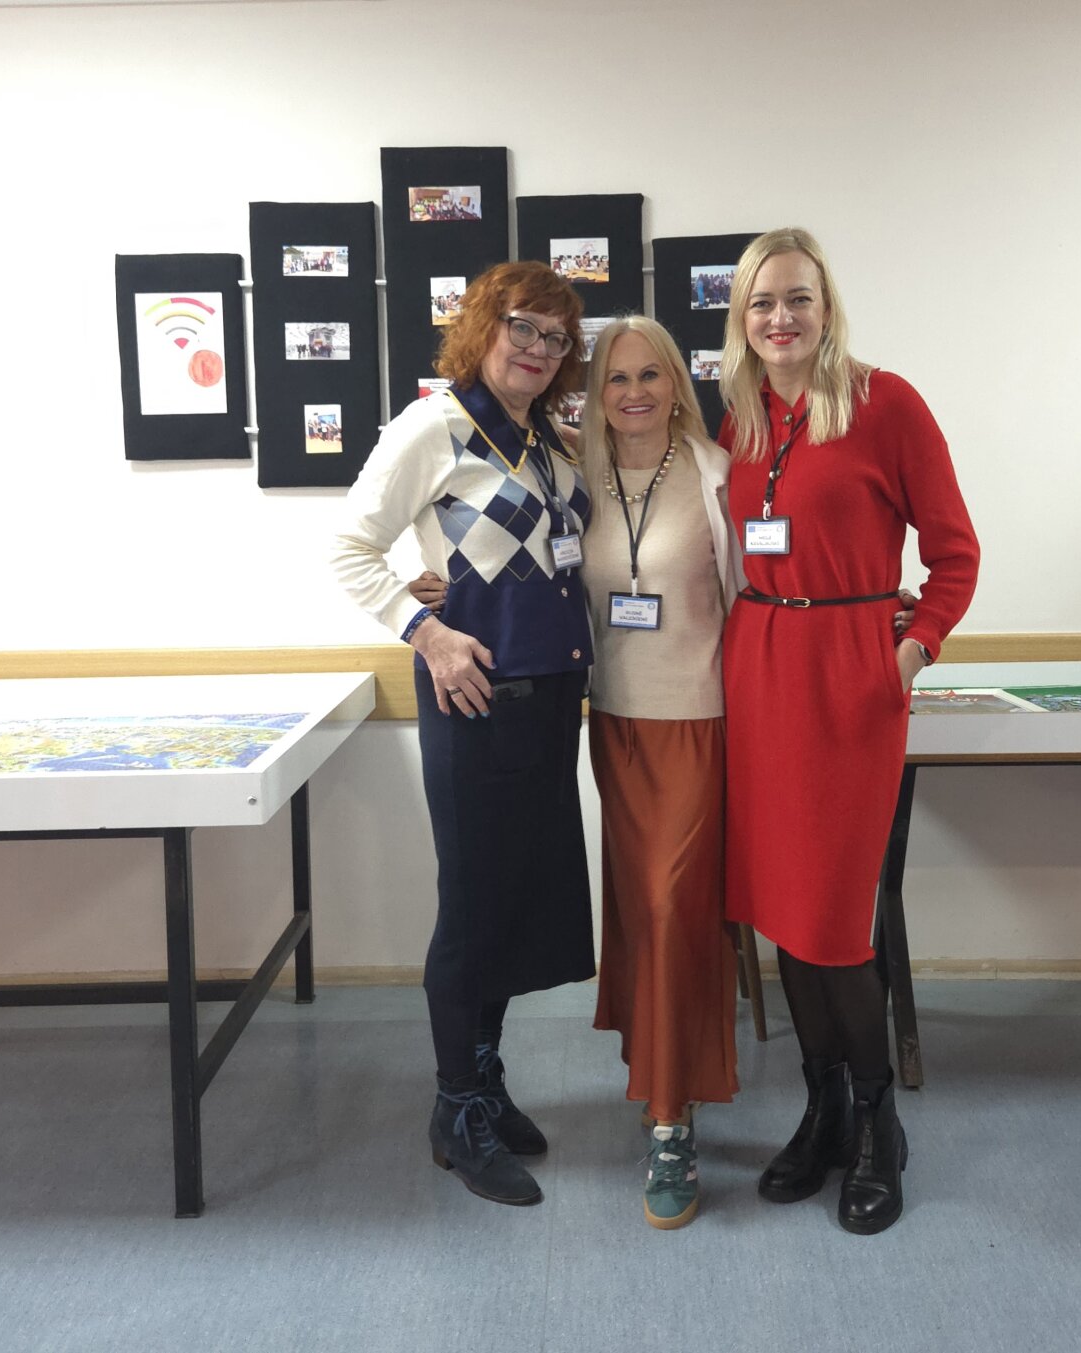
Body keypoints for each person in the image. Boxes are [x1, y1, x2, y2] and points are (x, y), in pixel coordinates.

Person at [719, 228, 979, 1235]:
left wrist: (911, 650)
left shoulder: (886, 404)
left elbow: (955, 553)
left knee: (833, 919)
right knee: (783, 911)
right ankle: (822, 1106)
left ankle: (877, 1123)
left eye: (798, 298)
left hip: (847, 680)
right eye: (761, 302)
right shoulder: (741, 416)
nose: (780, 318)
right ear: (742, 319)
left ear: (826, 307)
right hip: (760, 670)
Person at [331, 262, 593, 1209]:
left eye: (556, 337)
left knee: (515, 901)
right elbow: (349, 546)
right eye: (523, 326)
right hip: (474, 697)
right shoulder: (432, 424)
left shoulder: (548, 439)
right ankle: (454, 1108)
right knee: (474, 907)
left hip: (550, 698)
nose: (538, 348)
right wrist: (426, 629)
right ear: (484, 325)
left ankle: (484, 1077)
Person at [577, 316, 742, 1230]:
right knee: (642, 912)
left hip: (699, 725)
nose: (634, 392)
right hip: (617, 728)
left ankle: (673, 1120)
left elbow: (757, 601)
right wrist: (432, 587)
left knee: (677, 906)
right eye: (617, 377)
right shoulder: (578, 476)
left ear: (677, 382)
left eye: (651, 374)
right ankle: (659, 1071)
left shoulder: (717, 475)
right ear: (596, 392)